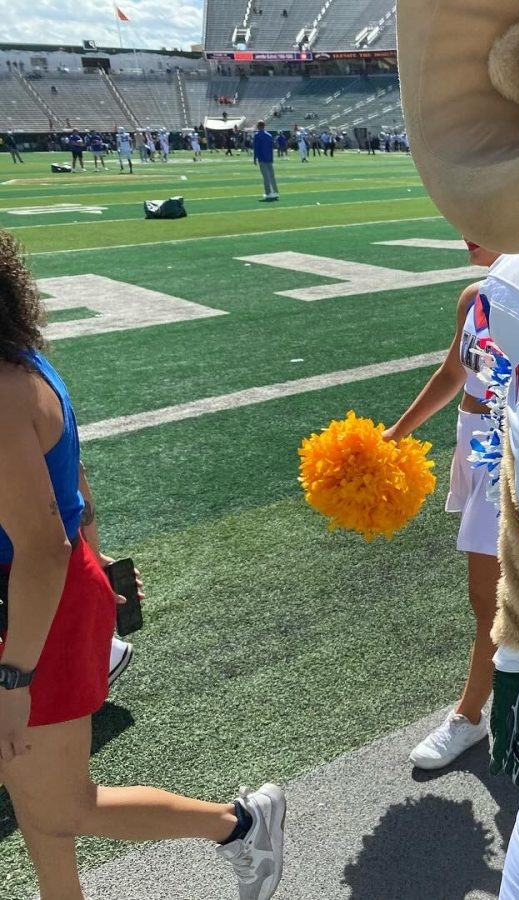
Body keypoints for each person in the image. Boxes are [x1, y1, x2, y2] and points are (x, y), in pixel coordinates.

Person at [0, 229, 286, 900]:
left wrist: (15, 678)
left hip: (36, 608)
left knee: (60, 804)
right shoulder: (20, 361)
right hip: (46, 596)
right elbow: (74, 489)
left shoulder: (3, 389)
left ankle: (239, 826)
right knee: (34, 791)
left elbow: (43, 550)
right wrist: (100, 568)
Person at [382, 240, 504, 769]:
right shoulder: (474, 297)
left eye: (484, 219)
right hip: (475, 441)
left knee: (491, 596)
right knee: (497, 594)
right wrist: (395, 433)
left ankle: (471, 715)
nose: (466, 232)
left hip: (513, 449)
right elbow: (454, 374)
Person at [252, 120, 279, 201]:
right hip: (269, 158)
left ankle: (268, 193)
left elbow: (256, 147)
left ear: (258, 126)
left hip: (262, 158)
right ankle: (275, 191)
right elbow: (272, 147)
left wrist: (254, 158)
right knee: (272, 176)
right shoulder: (269, 135)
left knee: (265, 177)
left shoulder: (257, 135)